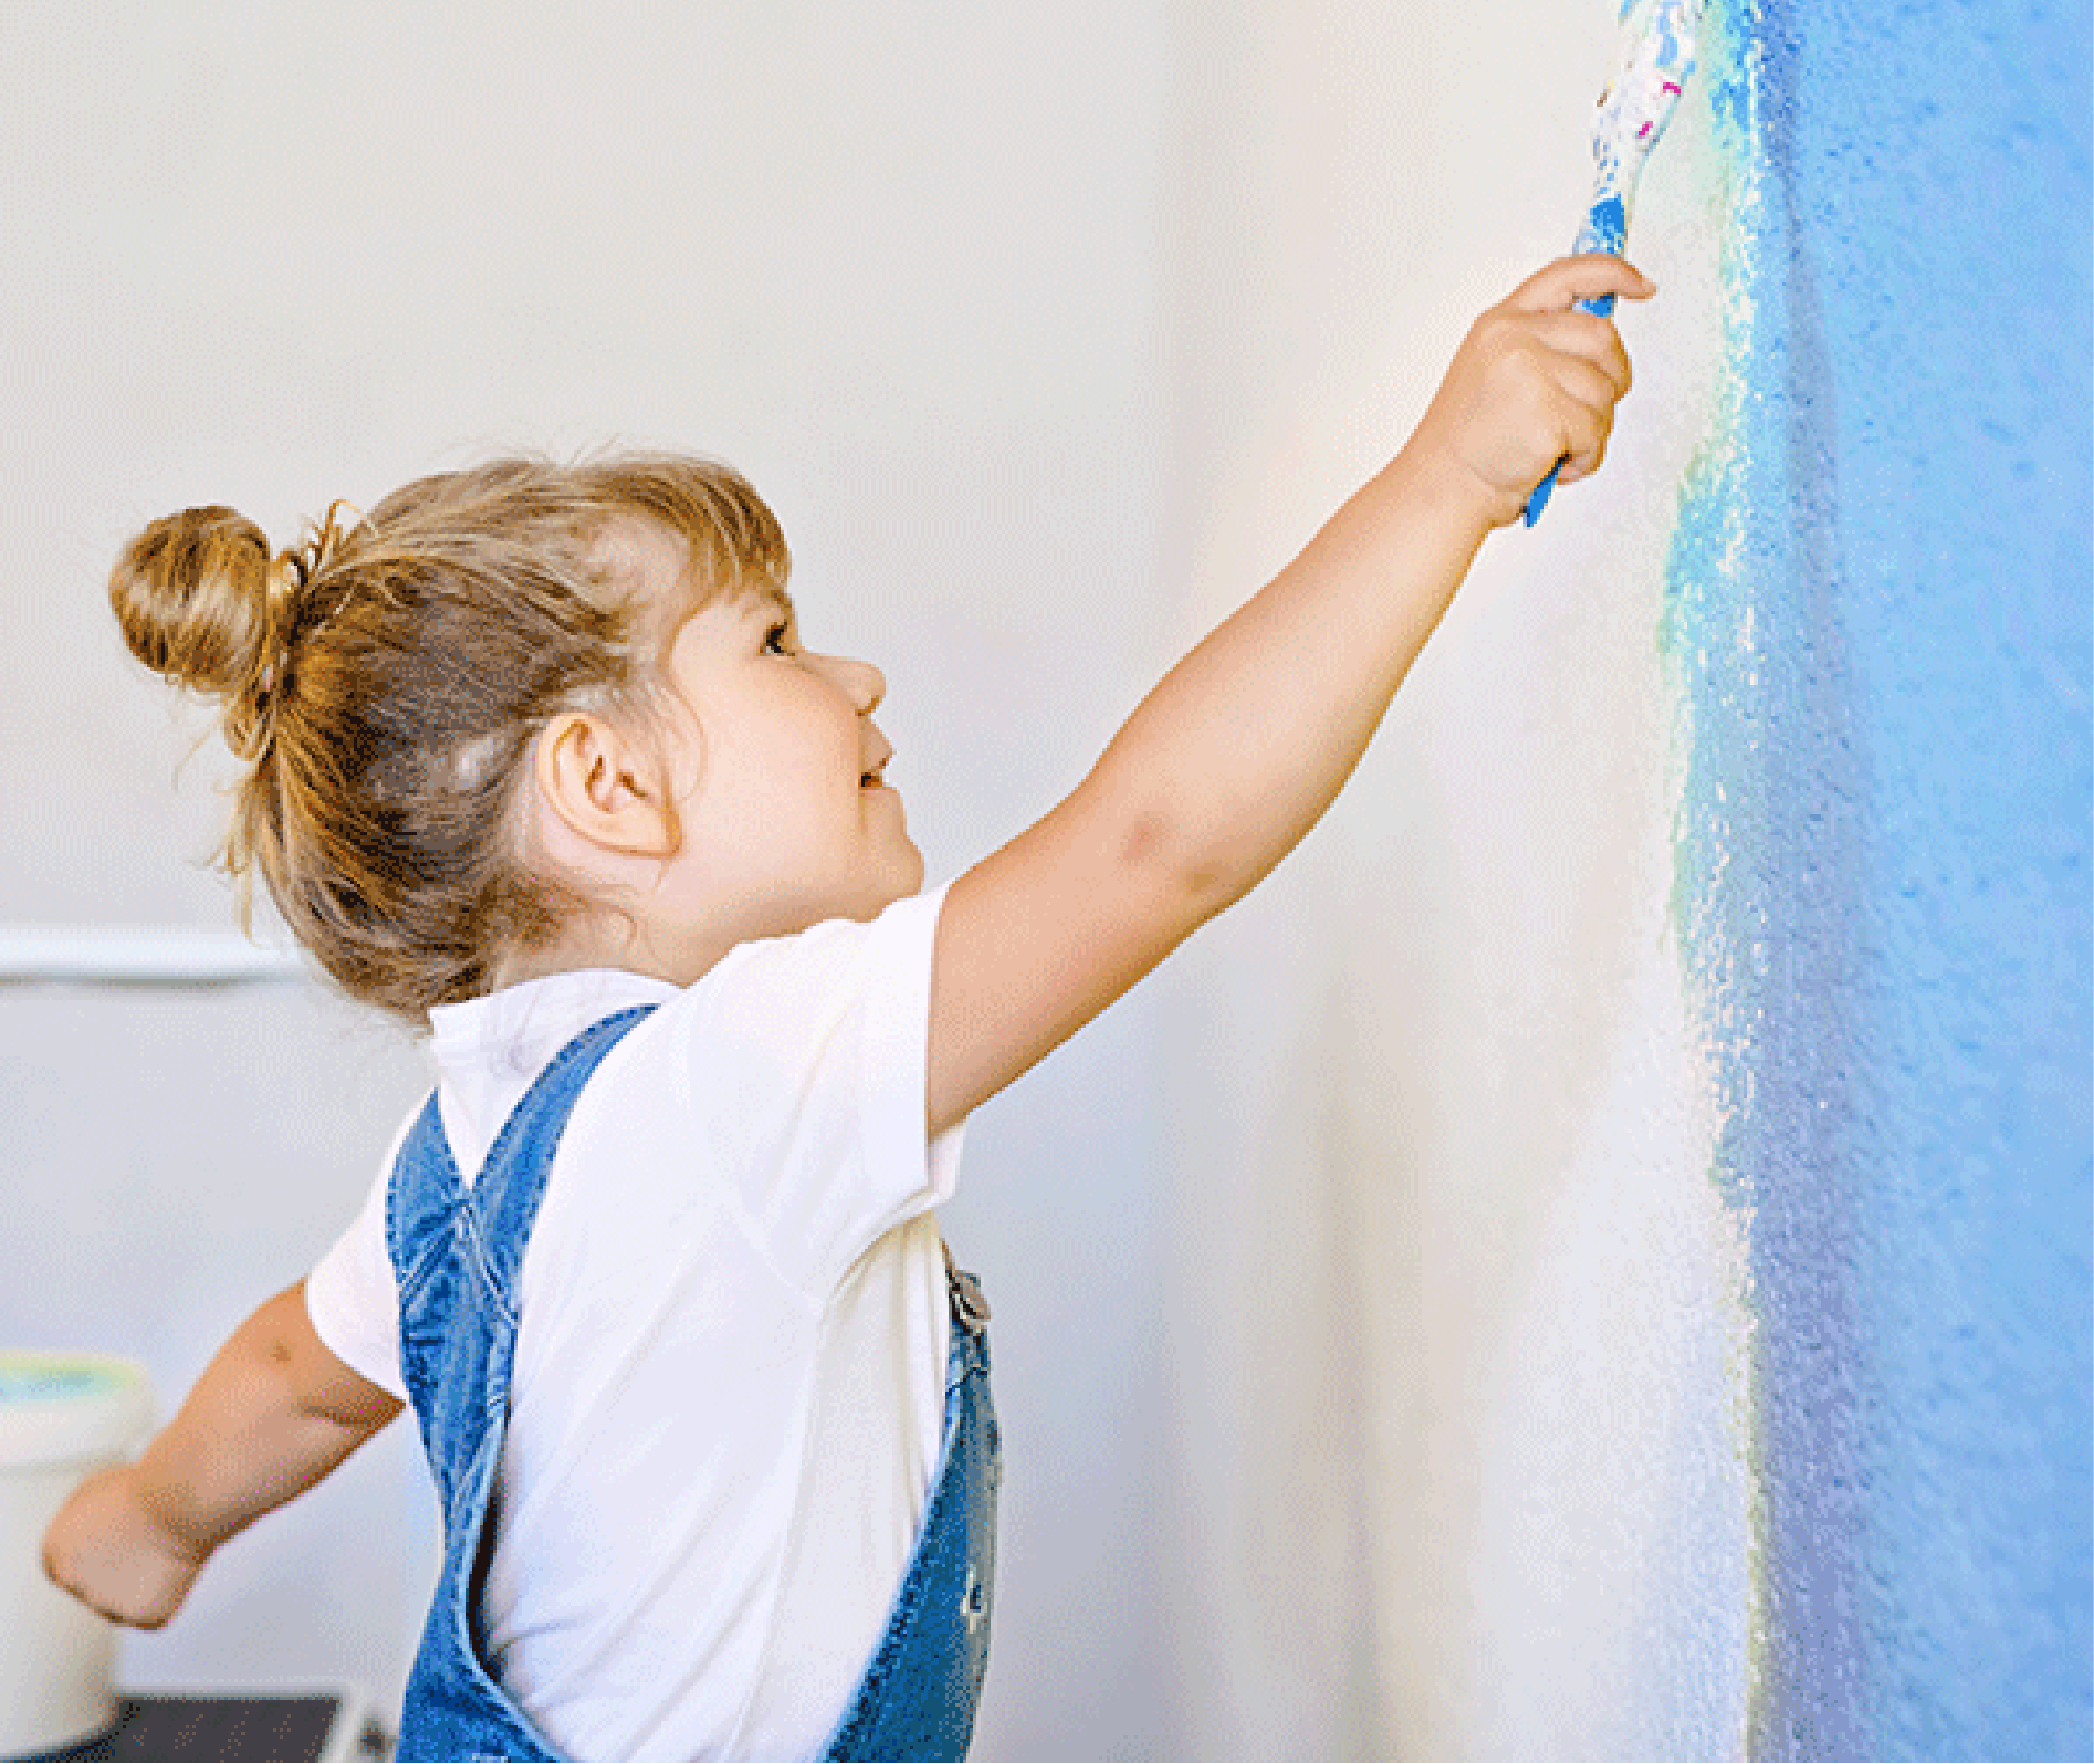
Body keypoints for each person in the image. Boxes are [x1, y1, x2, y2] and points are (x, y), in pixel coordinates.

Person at [42, 254, 1648, 1761]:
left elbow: (297, 1373)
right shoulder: (735, 1079)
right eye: (775, 640)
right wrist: (1445, 475)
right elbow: (1154, 845)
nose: (857, 680)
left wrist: (152, 1520)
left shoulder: (455, 1166)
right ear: (609, 786)